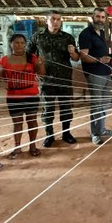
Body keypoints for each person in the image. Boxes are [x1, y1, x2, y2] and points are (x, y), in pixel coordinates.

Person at [28, 10, 79, 148]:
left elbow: (76, 58)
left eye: (58, 19)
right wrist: (35, 69)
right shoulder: (37, 37)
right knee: (48, 108)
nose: (55, 22)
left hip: (64, 78)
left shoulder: (68, 37)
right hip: (46, 80)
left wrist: (73, 52)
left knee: (66, 107)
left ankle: (66, 133)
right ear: (46, 21)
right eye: (52, 19)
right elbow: (29, 55)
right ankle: (49, 135)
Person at [0, 34, 46, 159]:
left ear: (25, 45)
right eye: (16, 43)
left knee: (32, 122)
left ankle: (32, 146)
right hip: (13, 97)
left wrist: (40, 64)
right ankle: (17, 147)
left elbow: (41, 74)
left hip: (31, 95)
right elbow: (2, 78)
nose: (19, 45)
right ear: (11, 44)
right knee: (17, 123)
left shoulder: (32, 58)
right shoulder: (4, 60)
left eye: (22, 43)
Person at [79, 7, 112, 145]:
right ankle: (95, 134)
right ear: (92, 17)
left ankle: (102, 129)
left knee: (105, 104)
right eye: (98, 17)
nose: (100, 19)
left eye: (102, 17)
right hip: (94, 74)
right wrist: (99, 60)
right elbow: (84, 56)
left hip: (105, 73)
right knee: (96, 104)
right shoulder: (86, 34)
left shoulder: (101, 33)